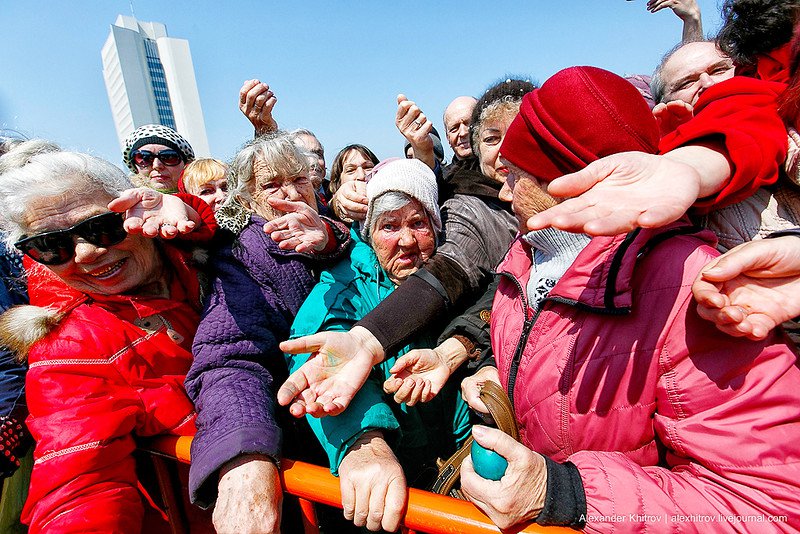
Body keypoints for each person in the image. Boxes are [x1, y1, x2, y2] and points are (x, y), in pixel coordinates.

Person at [456, 65, 800, 531]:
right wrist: (495, 372)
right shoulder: (522, 263)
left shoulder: (694, 287)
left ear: (566, 178)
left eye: (517, 175)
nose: (502, 190)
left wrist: (566, 495)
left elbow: (769, 506)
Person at [279, 79, 533, 418]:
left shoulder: (582, 210)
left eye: (417, 223)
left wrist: (460, 351)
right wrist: (367, 344)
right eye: (491, 138)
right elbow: (455, 272)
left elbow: (505, 295)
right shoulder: (466, 211)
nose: (407, 240)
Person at [0, 150, 216, 532]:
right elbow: (78, 483)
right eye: (51, 246)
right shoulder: (70, 345)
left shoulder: (213, 257)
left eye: (101, 227)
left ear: (138, 208)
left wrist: (193, 210)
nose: (87, 254)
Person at [286, 158, 471, 532]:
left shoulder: (459, 274)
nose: (405, 241)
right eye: (389, 226)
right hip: (395, 496)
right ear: (369, 232)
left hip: (462, 483)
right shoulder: (345, 284)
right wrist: (364, 443)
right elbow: (323, 357)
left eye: (418, 224)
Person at [185, 131, 350, 533]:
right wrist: (244, 454)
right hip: (309, 448)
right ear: (246, 198)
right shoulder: (242, 254)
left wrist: (331, 238)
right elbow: (229, 356)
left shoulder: (338, 234)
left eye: (298, 179)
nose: (290, 193)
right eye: (272, 185)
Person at [123, 124, 195, 193]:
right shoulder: (121, 202)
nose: (157, 165)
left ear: (186, 165)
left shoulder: (204, 199)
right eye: (145, 158)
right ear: (135, 166)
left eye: (168, 157)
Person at [328, 144, 379, 224]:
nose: (361, 176)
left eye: (367, 167)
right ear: (338, 181)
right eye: (350, 170)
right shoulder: (330, 218)